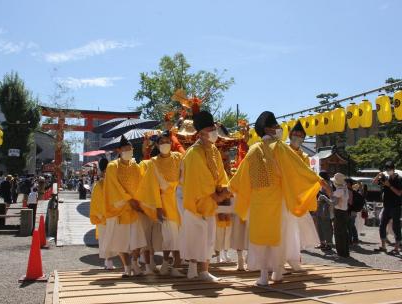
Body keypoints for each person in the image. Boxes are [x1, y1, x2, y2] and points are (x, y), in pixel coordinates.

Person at [228, 111, 324, 286]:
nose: (279, 129)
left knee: (260, 238)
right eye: (275, 127)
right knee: (279, 237)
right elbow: (297, 169)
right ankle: (277, 272)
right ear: (268, 129)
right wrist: (315, 179)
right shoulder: (280, 147)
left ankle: (264, 274)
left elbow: (241, 177)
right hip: (278, 201)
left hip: (258, 203)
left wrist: (230, 188)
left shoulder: (253, 150)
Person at [179, 110, 230, 282]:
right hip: (197, 200)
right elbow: (199, 178)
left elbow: (220, 174)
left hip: (209, 200)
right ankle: (196, 269)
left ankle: (203, 271)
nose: (214, 130)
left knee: (207, 237)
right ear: (200, 133)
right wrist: (216, 194)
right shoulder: (194, 153)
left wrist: (224, 188)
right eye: (210, 128)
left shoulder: (214, 149)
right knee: (196, 236)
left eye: (213, 127)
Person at [137, 130, 184, 277]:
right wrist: (158, 208)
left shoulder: (178, 157)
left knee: (179, 237)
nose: (165, 144)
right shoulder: (153, 163)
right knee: (171, 237)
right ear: (157, 145)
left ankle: (166, 265)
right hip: (165, 205)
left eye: (167, 142)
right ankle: (172, 266)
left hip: (180, 202)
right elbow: (152, 188)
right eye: (162, 142)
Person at [102, 135, 147, 278]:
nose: (129, 151)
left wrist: (140, 202)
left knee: (138, 240)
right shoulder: (112, 166)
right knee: (121, 241)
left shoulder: (136, 165)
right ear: (119, 150)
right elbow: (114, 186)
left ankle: (134, 262)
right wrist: (128, 199)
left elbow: (142, 184)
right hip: (120, 209)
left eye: (130, 149)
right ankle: (127, 267)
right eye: (126, 149)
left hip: (134, 208)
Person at [286, 120, 322, 269]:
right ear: (290, 135)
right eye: (295, 134)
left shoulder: (305, 156)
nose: (298, 137)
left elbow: (308, 175)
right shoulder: (284, 151)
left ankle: (296, 258)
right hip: (286, 194)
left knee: (298, 230)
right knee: (286, 229)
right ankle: (283, 259)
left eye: (301, 135)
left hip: (299, 197)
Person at [90, 158, 115, 269]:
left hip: (102, 216)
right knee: (110, 238)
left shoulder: (98, 185)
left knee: (106, 238)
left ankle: (108, 261)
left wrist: (99, 214)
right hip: (110, 215)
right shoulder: (111, 184)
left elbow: (95, 202)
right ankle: (109, 261)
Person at [373, 161, 402, 255]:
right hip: (386, 206)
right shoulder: (385, 178)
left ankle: (396, 248)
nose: (388, 171)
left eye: (390, 169)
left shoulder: (399, 179)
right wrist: (378, 175)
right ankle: (383, 246)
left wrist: (389, 186)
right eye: (387, 169)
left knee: (396, 227)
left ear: (393, 169)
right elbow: (374, 182)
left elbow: (399, 193)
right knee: (382, 225)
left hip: (396, 206)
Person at [330, 173, 350, 258]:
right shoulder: (345, 189)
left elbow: (333, 200)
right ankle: (345, 252)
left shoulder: (339, 191)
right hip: (344, 212)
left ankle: (341, 253)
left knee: (338, 233)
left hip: (339, 212)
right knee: (344, 233)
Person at [316, 171, 335, 251]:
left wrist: (323, 198)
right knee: (320, 225)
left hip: (326, 206)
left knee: (326, 225)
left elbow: (331, 196)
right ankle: (322, 242)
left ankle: (329, 243)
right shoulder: (320, 183)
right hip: (320, 205)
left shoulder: (328, 184)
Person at [346, 178, 365, 246]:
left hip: (350, 211)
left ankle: (350, 241)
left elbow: (350, 203)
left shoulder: (349, 191)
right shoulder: (354, 191)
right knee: (352, 226)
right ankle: (355, 240)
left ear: (348, 184)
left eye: (346, 183)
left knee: (349, 226)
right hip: (354, 211)